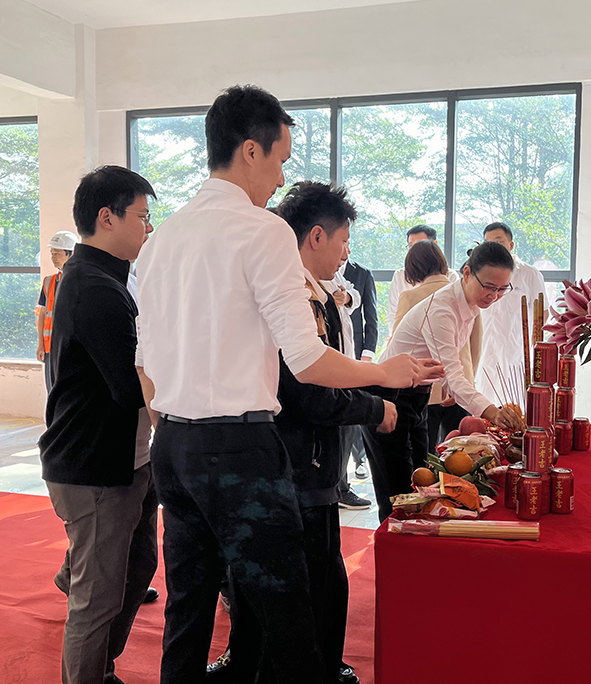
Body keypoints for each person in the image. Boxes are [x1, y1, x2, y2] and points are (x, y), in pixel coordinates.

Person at [134, 85, 441, 684]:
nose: (280, 179)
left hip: (171, 444)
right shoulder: (263, 230)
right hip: (240, 450)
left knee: (187, 612)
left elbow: (144, 362)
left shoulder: (160, 239)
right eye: (280, 160)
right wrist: (384, 374)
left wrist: (170, 426)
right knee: (289, 618)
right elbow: (305, 360)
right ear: (250, 151)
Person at [207, 181, 393, 684]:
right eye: (344, 240)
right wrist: (375, 403)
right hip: (290, 460)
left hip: (294, 458)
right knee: (301, 581)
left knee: (289, 576)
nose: (346, 253)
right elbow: (308, 390)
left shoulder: (314, 292)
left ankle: (279, 662)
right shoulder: (290, 296)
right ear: (316, 236)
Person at [38, 166, 158, 684]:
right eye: (142, 217)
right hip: (93, 465)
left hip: (126, 457)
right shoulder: (93, 285)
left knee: (138, 566)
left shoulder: (108, 278)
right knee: (97, 598)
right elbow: (129, 387)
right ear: (107, 218)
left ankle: (100, 662)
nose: (148, 228)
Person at [365, 240, 526, 521]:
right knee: (397, 497)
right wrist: (492, 412)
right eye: (489, 286)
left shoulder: (469, 305)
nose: (494, 296)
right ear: (467, 273)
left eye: (502, 289)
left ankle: (416, 546)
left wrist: (458, 391)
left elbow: (450, 367)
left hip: (416, 396)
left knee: (421, 486)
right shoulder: (442, 309)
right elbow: (453, 373)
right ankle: (393, 547)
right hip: (389, 398)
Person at [392, 240, 482, 453]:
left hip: (425, 390)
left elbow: (401, 349)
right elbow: (475, 345)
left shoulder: (410, 297)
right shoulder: (466, 293)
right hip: (462, 386)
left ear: (413, 268)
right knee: (460, 455)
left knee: (426, 456)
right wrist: (466, 380)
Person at [476, 222, 547, 406]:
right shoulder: (479, 274)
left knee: (515, 405)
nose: (494, 247)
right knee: (483, 404)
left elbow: (543, 314)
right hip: (485, 348)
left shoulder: (529, 274)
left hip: (516, 352)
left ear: (511, 244)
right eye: (488, 243)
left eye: (499, 241)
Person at [322, 257, 371, 510]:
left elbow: (356, 295)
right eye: (343, 242)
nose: (346, 252)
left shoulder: (337, 274)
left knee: (347, 430)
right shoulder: (312, 276)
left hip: (346, 360)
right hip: (332, 367)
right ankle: (338, 488)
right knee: (340, 431)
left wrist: (347, 297)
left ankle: (342, 486)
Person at [386, 224, 458, 331]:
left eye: (420, 245)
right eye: (411, 246)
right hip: (407, 336)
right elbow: (393, 313)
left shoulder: (450, 276)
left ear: (435, 245)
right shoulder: (400, 275)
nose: (415, 251)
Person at [36, 230, 79, 392]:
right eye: (52, 253)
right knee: (52, 389)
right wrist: (41, 344)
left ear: (70, 253)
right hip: (50, 347)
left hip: (70, 348)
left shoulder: (78, 280)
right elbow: (43, 314)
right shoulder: (49, 282)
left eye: (57, 253)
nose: (53, 257)